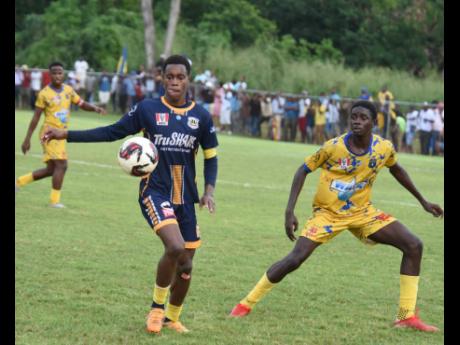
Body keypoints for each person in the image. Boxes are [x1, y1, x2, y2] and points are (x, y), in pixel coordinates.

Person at [229, 100, 443, 332]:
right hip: (328, 214)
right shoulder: (333, 147)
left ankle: (406, 316)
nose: (356, 121)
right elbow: (302, 170)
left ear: (374, 122)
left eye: (363, 118)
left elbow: (396, 169)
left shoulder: (383, 147)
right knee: (295, 259)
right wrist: (289, 210)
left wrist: (423, 201)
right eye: (354, 117)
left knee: (414, 245)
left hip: (363, 212)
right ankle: (244, 304)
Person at [41, 55, 218, 334]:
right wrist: (65, 134)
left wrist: (209, 191)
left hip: (185, 198)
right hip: (155, 191)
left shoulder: (202, 116)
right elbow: (112, 131)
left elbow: (211, 157)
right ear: (161, 78)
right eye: (169, 76)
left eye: (179, 77)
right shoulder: (147, 109)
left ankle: (173, 318)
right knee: (174, 247)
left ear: (188, 79)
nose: (174, 81)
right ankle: (156, 311)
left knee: (186, 266)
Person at [16, 62, 106, 207]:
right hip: (49, 134)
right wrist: (27, 139)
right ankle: (54, 201)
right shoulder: (44, 93)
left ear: (63, 74)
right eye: (54, 73)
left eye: (60, 73)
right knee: (62, 165)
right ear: (49, 75)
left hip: (61, 134)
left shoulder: (68, 90)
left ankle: (19, 182)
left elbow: (82, 104)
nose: (57, 76)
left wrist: (95, 108)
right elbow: (36, 118)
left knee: (51, 170)